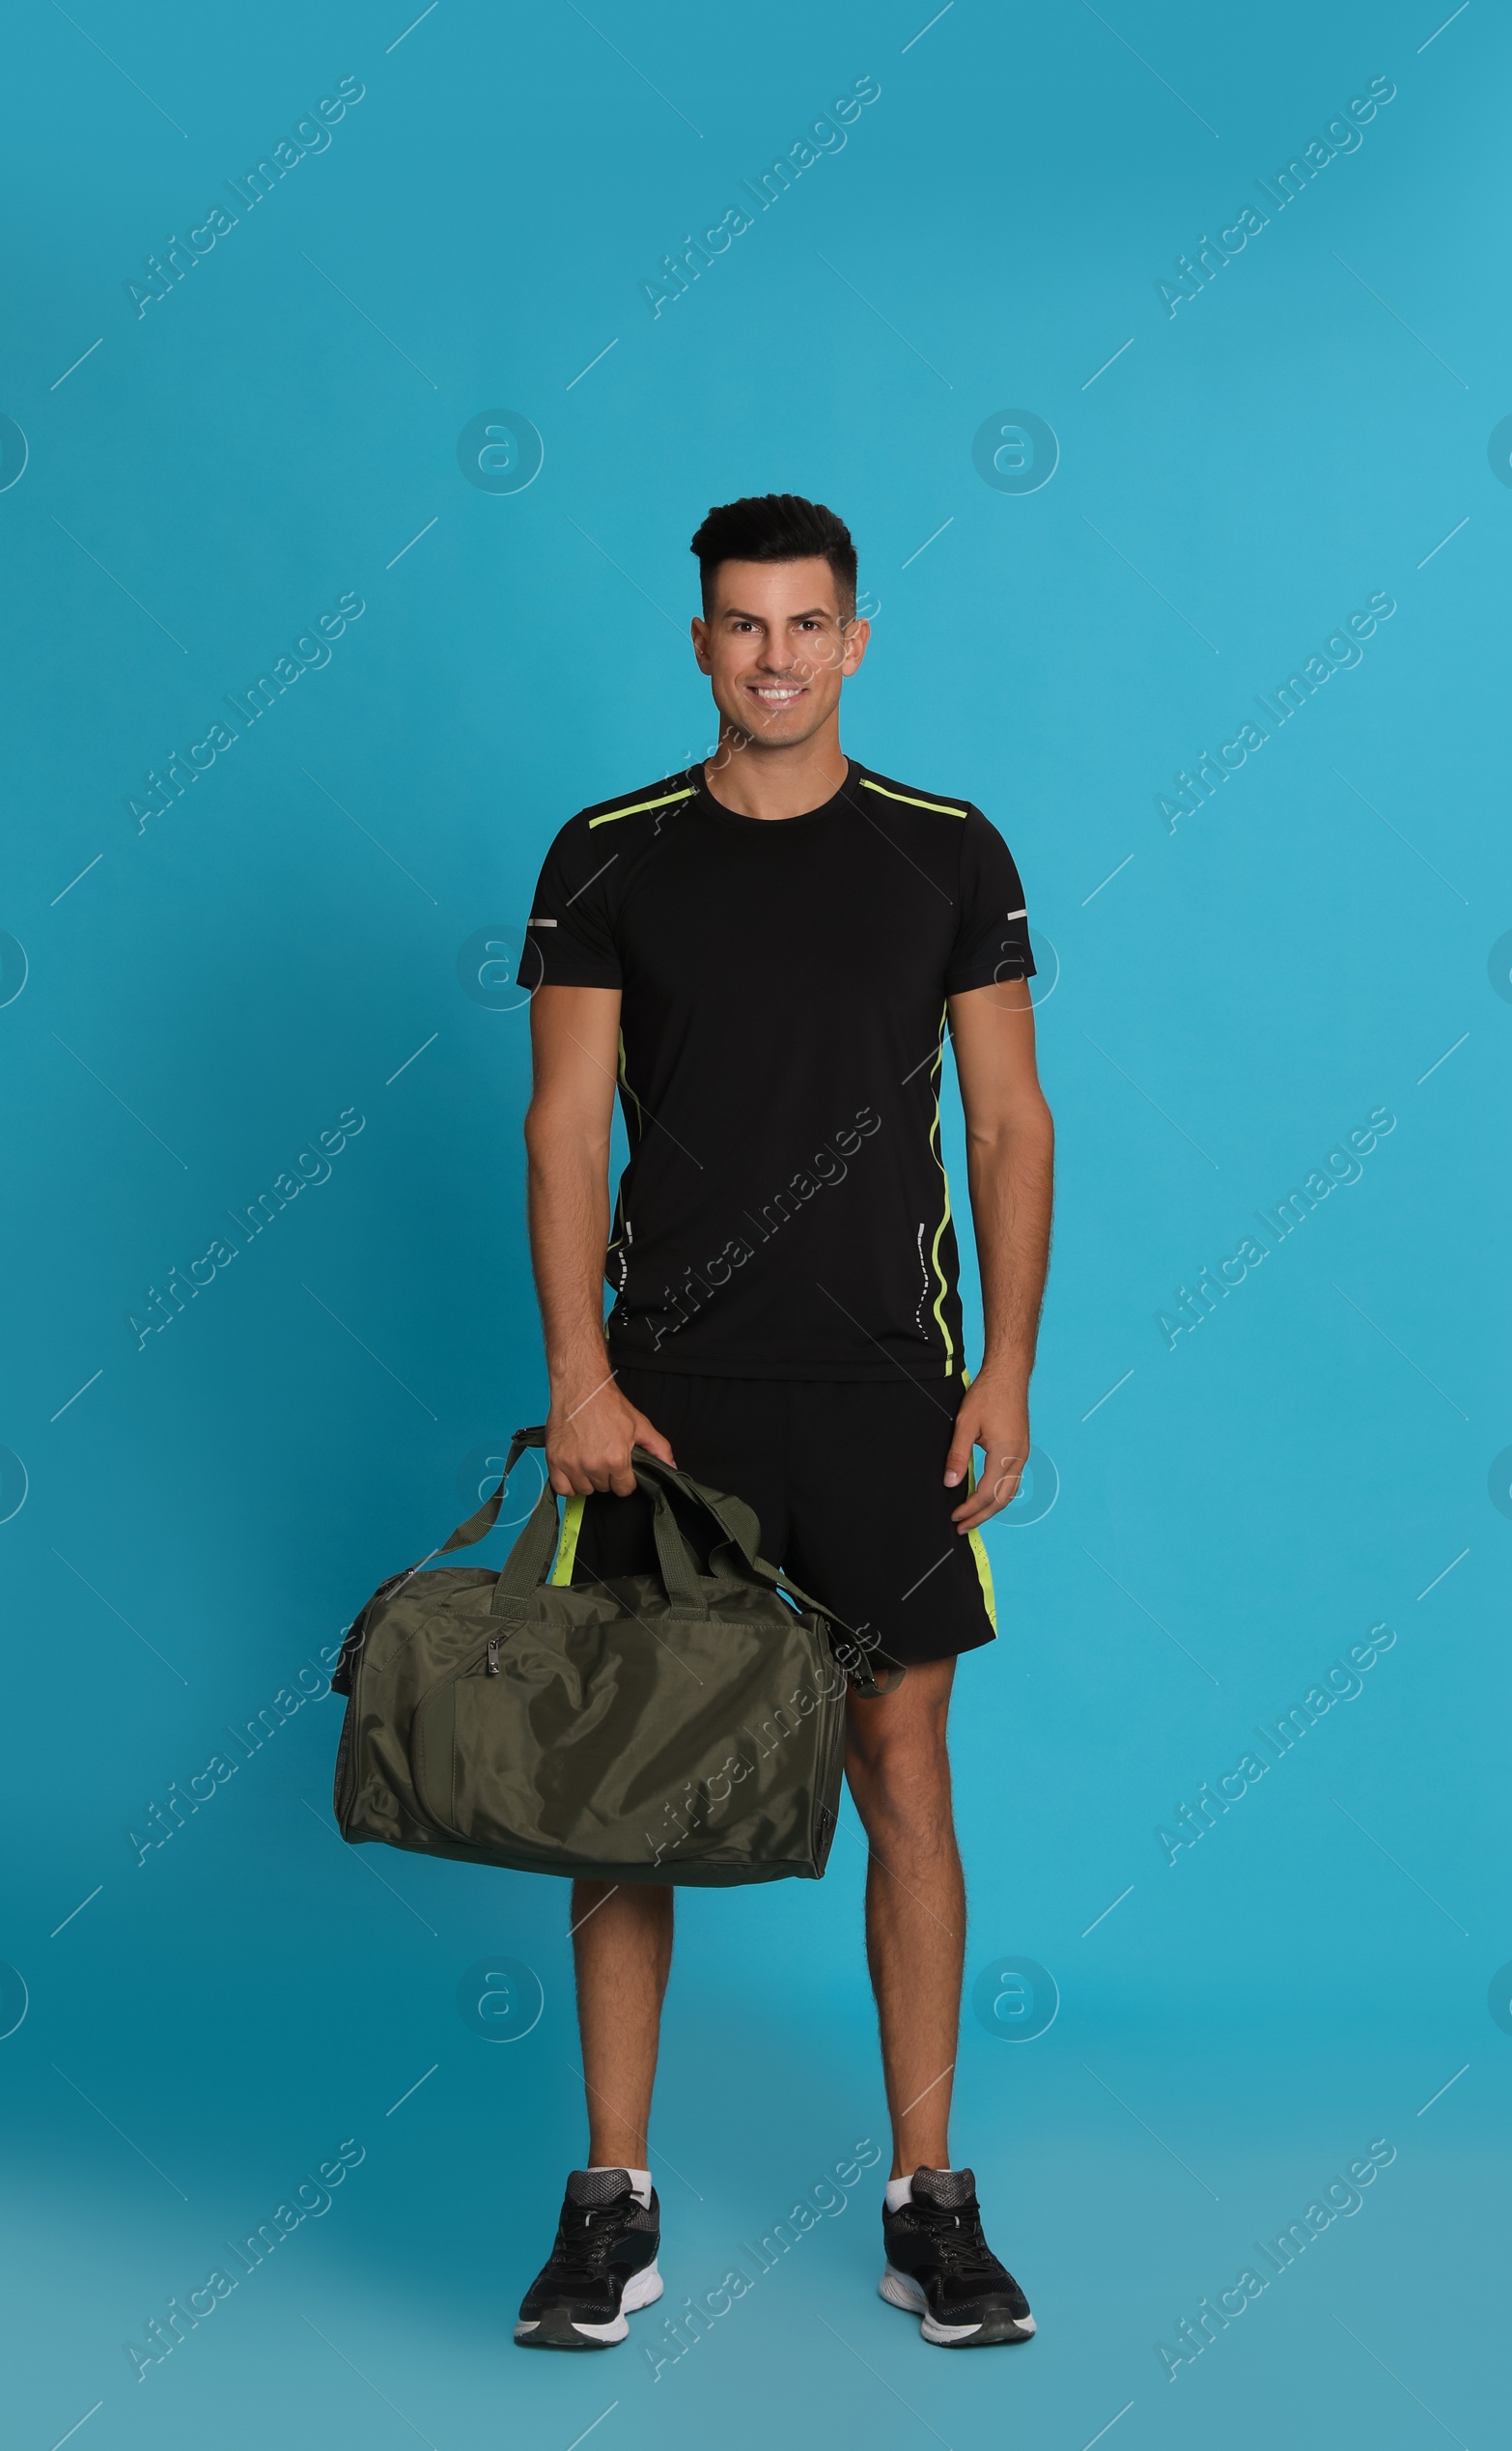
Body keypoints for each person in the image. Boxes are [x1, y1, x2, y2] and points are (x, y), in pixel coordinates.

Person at [513, 493, 1053, 2353]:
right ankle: (611, 2202)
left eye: (805, 625)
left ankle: (929, 2206)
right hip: (668, 1406)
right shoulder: (608, 857)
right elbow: (566, 1125)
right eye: (741, 626)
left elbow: (1007, 1126)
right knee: (623, 1792)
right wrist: (580, 1375)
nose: (773, 657)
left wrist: (1008, 1368)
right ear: (699, 645)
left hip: (893, 1397)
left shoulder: (948, 853)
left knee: (904, 1769)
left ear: (855, 638)